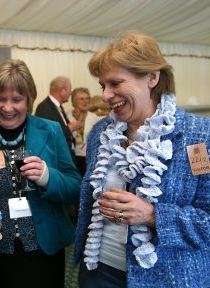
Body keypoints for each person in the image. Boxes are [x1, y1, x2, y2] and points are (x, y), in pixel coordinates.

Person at [73, 32, 210, 287]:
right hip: (99, 271)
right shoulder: (100, 133)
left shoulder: (199, 137)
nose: (105, 95)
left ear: (153, 77)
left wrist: (153, 215)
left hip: (169, 277)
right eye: (103, 85)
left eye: (115, 83)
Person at [0, 59, 81, 288]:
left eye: (17, 99)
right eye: (0, 99)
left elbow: (75, 187)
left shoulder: (51, 130)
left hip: (43, 250)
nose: (7, 107)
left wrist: (47, 177)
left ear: (29, 100)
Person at [35, 76, 81, 158]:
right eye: (70, 89)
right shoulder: (44, 107)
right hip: (57, 158)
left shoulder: (58, 107)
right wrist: (69, 128)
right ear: (62, 91)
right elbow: (47, 135)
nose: (71, 93)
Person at [66, 87, 103, 177]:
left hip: (88, 157)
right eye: (81, 99)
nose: (85, 101)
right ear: (74, 101)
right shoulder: (67, 116)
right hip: (72, 157)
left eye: (87, 98)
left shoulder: (94, 117)